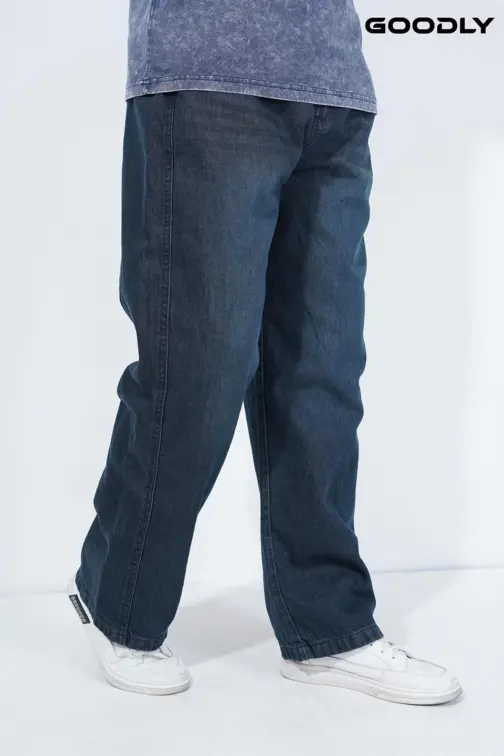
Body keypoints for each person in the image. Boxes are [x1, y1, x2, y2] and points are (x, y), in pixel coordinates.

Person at [68, 0, 462, 704]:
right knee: (198, 369)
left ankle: (327, 628)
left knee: (322, 376)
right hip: (207, 78)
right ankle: (118, 605)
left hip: (335, 90)